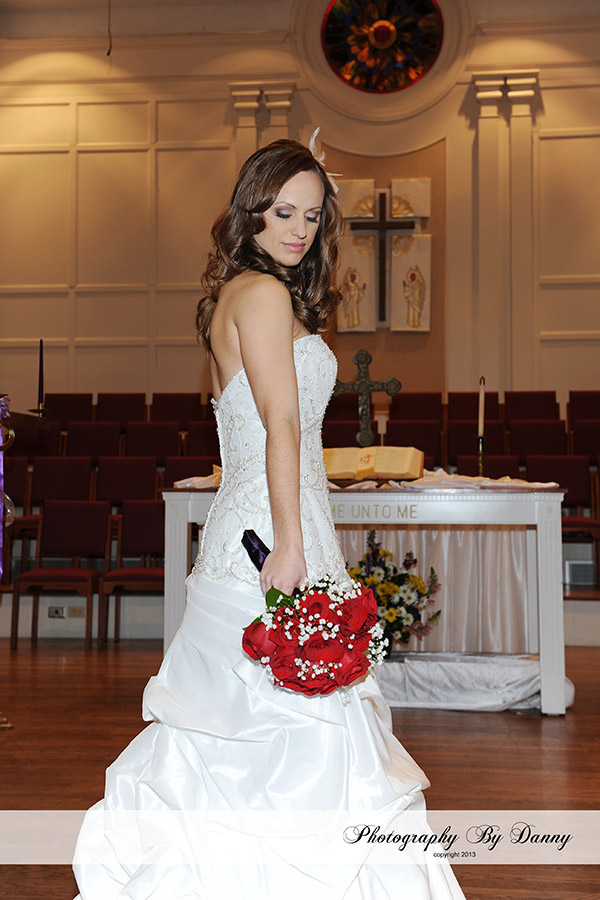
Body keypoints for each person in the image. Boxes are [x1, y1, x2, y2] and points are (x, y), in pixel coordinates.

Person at [72, 137, 466, 899]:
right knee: (282, 730)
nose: (299, 230)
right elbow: (281, 425)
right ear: (249, 211)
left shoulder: (243, 293)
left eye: (312, 217)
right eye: (283, 212)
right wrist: (290, 543)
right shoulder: (261, 294)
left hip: (272, 520)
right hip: (270, 535)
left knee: (243, 731)